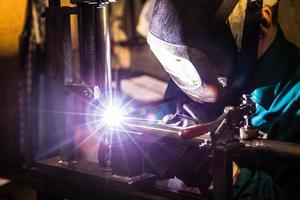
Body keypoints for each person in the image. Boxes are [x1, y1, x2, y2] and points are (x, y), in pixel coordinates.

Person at [146, 0, 300, 199]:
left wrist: (212, 170)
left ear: (261, 21)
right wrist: (133, 149)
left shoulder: (293, 96)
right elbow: (157, 128)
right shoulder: (192, 70)